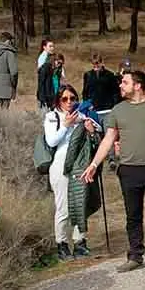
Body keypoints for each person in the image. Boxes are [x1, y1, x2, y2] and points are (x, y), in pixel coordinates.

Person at [81, 69, 145, 273]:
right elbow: (108, 139)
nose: (120, 85)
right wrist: (94, 164)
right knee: (133, 215)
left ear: (137, 85)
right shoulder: (117, 111)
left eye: (125, 82)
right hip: (129, 170)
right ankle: (135, 255)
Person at [44, 84, 100, 261]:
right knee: (64, 207)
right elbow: (52, 141)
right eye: (65, 99)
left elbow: (98, 132)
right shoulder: (52, 117)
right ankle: (61, 245)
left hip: (79, 165)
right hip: (60, 166)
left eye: (73, 98)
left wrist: (92, 129)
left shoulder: (82, 116)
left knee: (80, 203)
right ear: (58, 101)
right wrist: (66, 126)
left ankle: (80, 243)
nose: (69, 102)